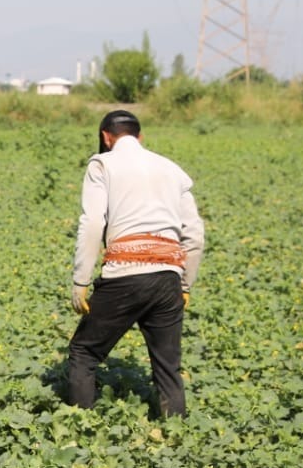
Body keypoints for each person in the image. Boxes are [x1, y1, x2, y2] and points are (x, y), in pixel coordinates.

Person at [66, 109, 204, 417]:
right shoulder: (171, 169)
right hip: (168, 276)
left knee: (84, 352)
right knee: (168, 367)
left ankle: (77, 428)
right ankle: (178, 438)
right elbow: (194, 233)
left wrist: (81, 281)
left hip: (125, 275)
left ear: (105, 137)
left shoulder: (102, 164)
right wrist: (184, 284)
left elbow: (91, 223)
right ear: (140, 137)